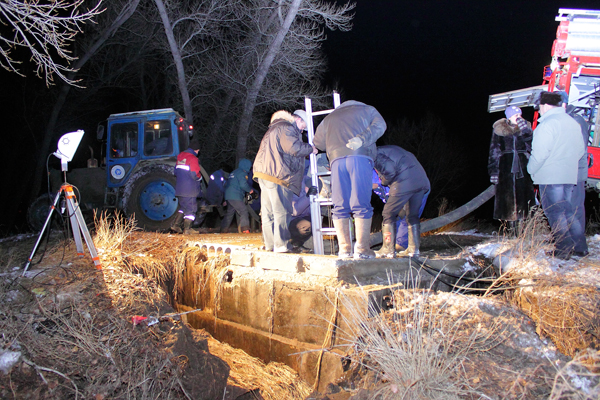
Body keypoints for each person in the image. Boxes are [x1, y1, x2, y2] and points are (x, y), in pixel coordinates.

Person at [313, 100, 386, 259]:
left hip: (336, 161)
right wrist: (362, 138)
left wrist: (334, 141)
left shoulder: (329, 117)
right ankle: (361, 249)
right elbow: (381, 126)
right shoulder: (368, 109)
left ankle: (344, 250)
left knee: (340, 204)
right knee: (360, 203)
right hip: (360, 156)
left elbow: (317, 142)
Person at [527, 91, 585, 260]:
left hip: (551, 177)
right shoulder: (573, 123)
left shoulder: (547, 125)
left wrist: (530, 170)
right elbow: (581, 150)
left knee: (555, 213)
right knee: (567, 211)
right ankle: (579, 247)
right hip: (569, 176)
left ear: (544, 106)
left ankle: (563, 248)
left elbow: (539, 154)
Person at [253, 109, 317, 253]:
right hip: (278, 174)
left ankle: (270, 245)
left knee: (268, 212)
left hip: (264, 173)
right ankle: (281, 245)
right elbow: (293, 148)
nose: (302, 132)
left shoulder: (274, 128)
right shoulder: (287, 128)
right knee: (282, 211)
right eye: (303, 128)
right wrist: (310, 149)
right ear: (299, 120)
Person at [373, 145, 430, 258]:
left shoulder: (374, 154)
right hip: (422, 181)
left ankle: (387, 249)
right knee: (411, 216)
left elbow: (390, 170)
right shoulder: (389, 151)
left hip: (405, 180)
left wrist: (384, 181)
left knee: (388, 213)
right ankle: (413, 250)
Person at [488, 106, 536, 233]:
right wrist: (493, 171)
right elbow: (494, 151)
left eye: (520, 115)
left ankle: (523, 232)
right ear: (509, 117)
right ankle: (510, 231)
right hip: (505, 167)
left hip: (523, 166)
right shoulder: (499, 130)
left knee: (524, 200)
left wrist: (525, 130)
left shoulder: (526, 128)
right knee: (507, 202)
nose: (519, 117)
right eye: (516, 115)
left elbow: (532, 146)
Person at [558, 91, 590, 256]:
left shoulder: (576, 121)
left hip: (573, 174)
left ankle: (579, 248)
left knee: (574, 209)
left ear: (563, 104)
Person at [171, 138, 202, 234]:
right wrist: (199, 178)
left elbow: (175, 172)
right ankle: (187, 229)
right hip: (190, 190)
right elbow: (195, 174)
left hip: (180, 189)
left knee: (183, 207)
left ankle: (176, 225)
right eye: (198, 150)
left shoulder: (180, 157)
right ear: (196, 150)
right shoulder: (193, 158)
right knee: (191, 209)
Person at [220, 158, 254, 233]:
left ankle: (223, 229)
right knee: (243, 210)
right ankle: (245, 229)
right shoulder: (243, 173)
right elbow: (243, 184)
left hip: (229, 196)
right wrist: (250, 190)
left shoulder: (234, 172)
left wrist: (226, 198)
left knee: (229, 213)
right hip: (235, 196)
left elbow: (227, 184)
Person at [289, 176, 320, 252]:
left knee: (315, 223)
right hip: (290, 221)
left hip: (304, 218)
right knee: (307, 225)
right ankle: (292, 241)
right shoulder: (296, 188)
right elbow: (294, 211)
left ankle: (297, 243)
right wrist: (308, 197)